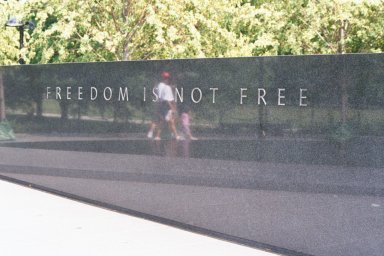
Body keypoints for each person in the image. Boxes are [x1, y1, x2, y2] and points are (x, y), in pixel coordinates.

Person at [153, 72, 180, 140]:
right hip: (167, 106)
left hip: (161, 105)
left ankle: (158, 136)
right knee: (170, 121)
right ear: (168, 79)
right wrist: (173, 109)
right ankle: (176, 136)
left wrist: (157, 107)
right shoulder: (167, 87)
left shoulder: (159, 85)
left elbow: (159, 98)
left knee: (163, 121)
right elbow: (168, 100)